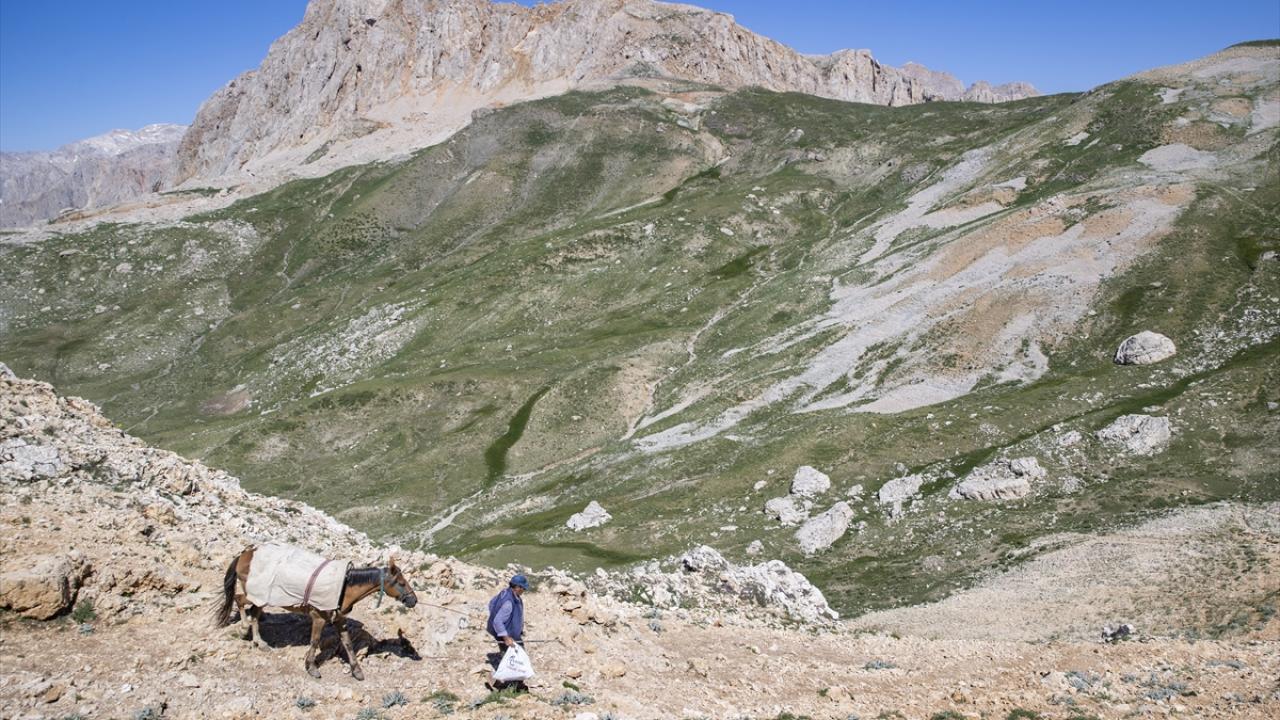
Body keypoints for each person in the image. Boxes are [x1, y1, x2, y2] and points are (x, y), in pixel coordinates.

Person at [485, 574, 529, 690]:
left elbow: (491, 603)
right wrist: (506, 637)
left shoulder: (505, 592)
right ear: (517, 587)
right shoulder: (509, 603)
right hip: (507, 635)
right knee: (514, 658)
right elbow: (498, 621)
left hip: (509, 632)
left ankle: (515, 682)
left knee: (515, 656)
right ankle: (512, 685)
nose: (524, 590)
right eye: (523, 588)